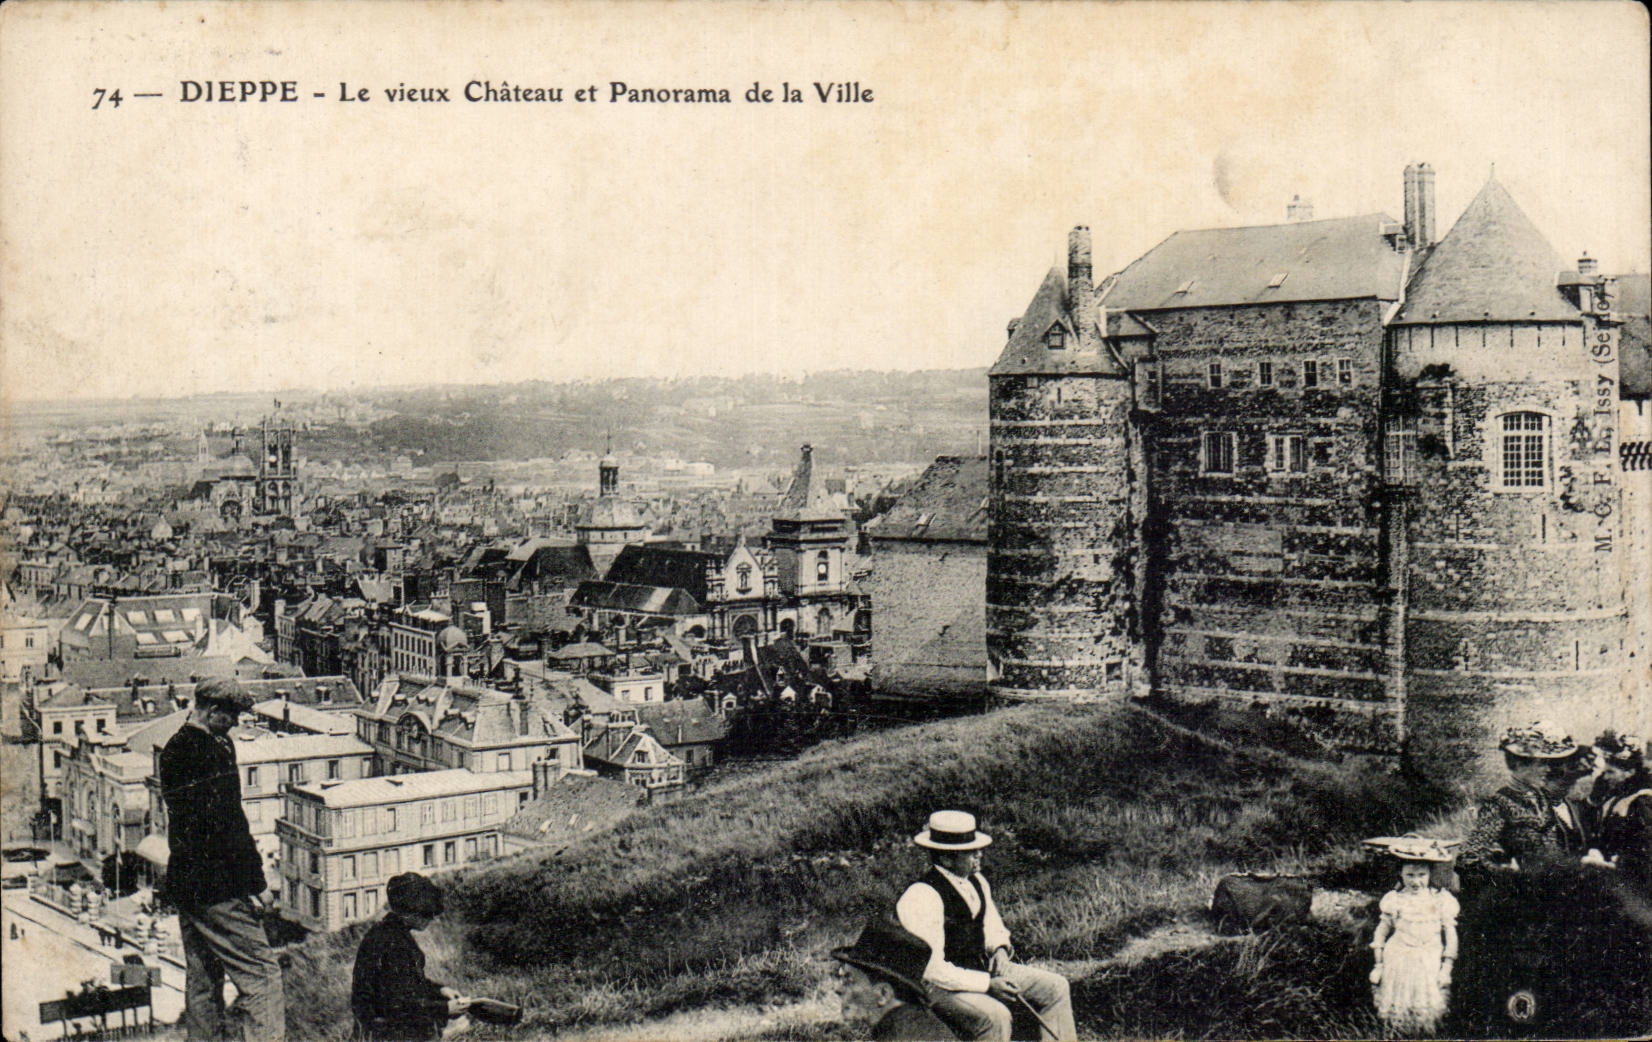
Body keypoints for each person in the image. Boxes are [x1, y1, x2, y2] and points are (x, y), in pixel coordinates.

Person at [158, 678, 285, 1042]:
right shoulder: (210, 750)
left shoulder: (176, 748)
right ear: (213, 711)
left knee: (203, 978)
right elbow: (228, 823)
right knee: (262, 974)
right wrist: (255, 884)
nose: (235, 723)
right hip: (218, 886)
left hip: (186, 883)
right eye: (232, 716)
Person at [895, 811, 1075, 1042]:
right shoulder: (922, 896)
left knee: (1055, 987)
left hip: (982, 969)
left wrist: (1000, 950)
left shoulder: (977, 881)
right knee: (995, 1016)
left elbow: (992, 926)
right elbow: (931, 970)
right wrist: (987, 985)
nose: (979, 855)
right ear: (947, 859)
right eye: (970, 852)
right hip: (938, 988)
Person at [351, 873, 470, 1041]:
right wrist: (444, 1009)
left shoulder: (386, 932)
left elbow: (407, 984)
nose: (432, 918)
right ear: (411, 912)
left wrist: (440, 991)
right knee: (461, 1028)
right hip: (385, 1032)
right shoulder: (395, 943)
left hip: (377, 1027)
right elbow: (398, 1005)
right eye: (427, 913)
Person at [1457, 722, 1584, 876]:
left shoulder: (1542, 798)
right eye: (1541, 764)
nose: (1548, 769)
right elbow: (1468, 858)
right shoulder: (1499, 804)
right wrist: (1509, 874)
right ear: (1519, 765)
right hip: (1525, 893)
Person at [1368, 837, 1460, 1037]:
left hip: (1429, 955)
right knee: (1399, 1004)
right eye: (1409, 875)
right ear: (1400, 874)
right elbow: (1382, 931)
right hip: (1399, 955)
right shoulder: (1395, 899)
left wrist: (1447, 968)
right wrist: (1379, 964)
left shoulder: (1441, 899)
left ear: (1429, 874)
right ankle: (1398, 1032)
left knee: (1426, 1006)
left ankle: (1423, 1033)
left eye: (1421, 875)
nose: (1415, 881)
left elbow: (1450, 935)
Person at [831, 918, 958, 1041]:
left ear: (883, 994)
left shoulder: (899, 1035)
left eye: (849, 981)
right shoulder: (918, 1025)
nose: (838, 989)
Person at [1589, 732, 1651, 890]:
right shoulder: (1615, 796)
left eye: (1611, 772)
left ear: (1629, 773)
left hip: (1630, 879)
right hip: (1608, 873)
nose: (1606, 777)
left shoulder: (1641, 800)